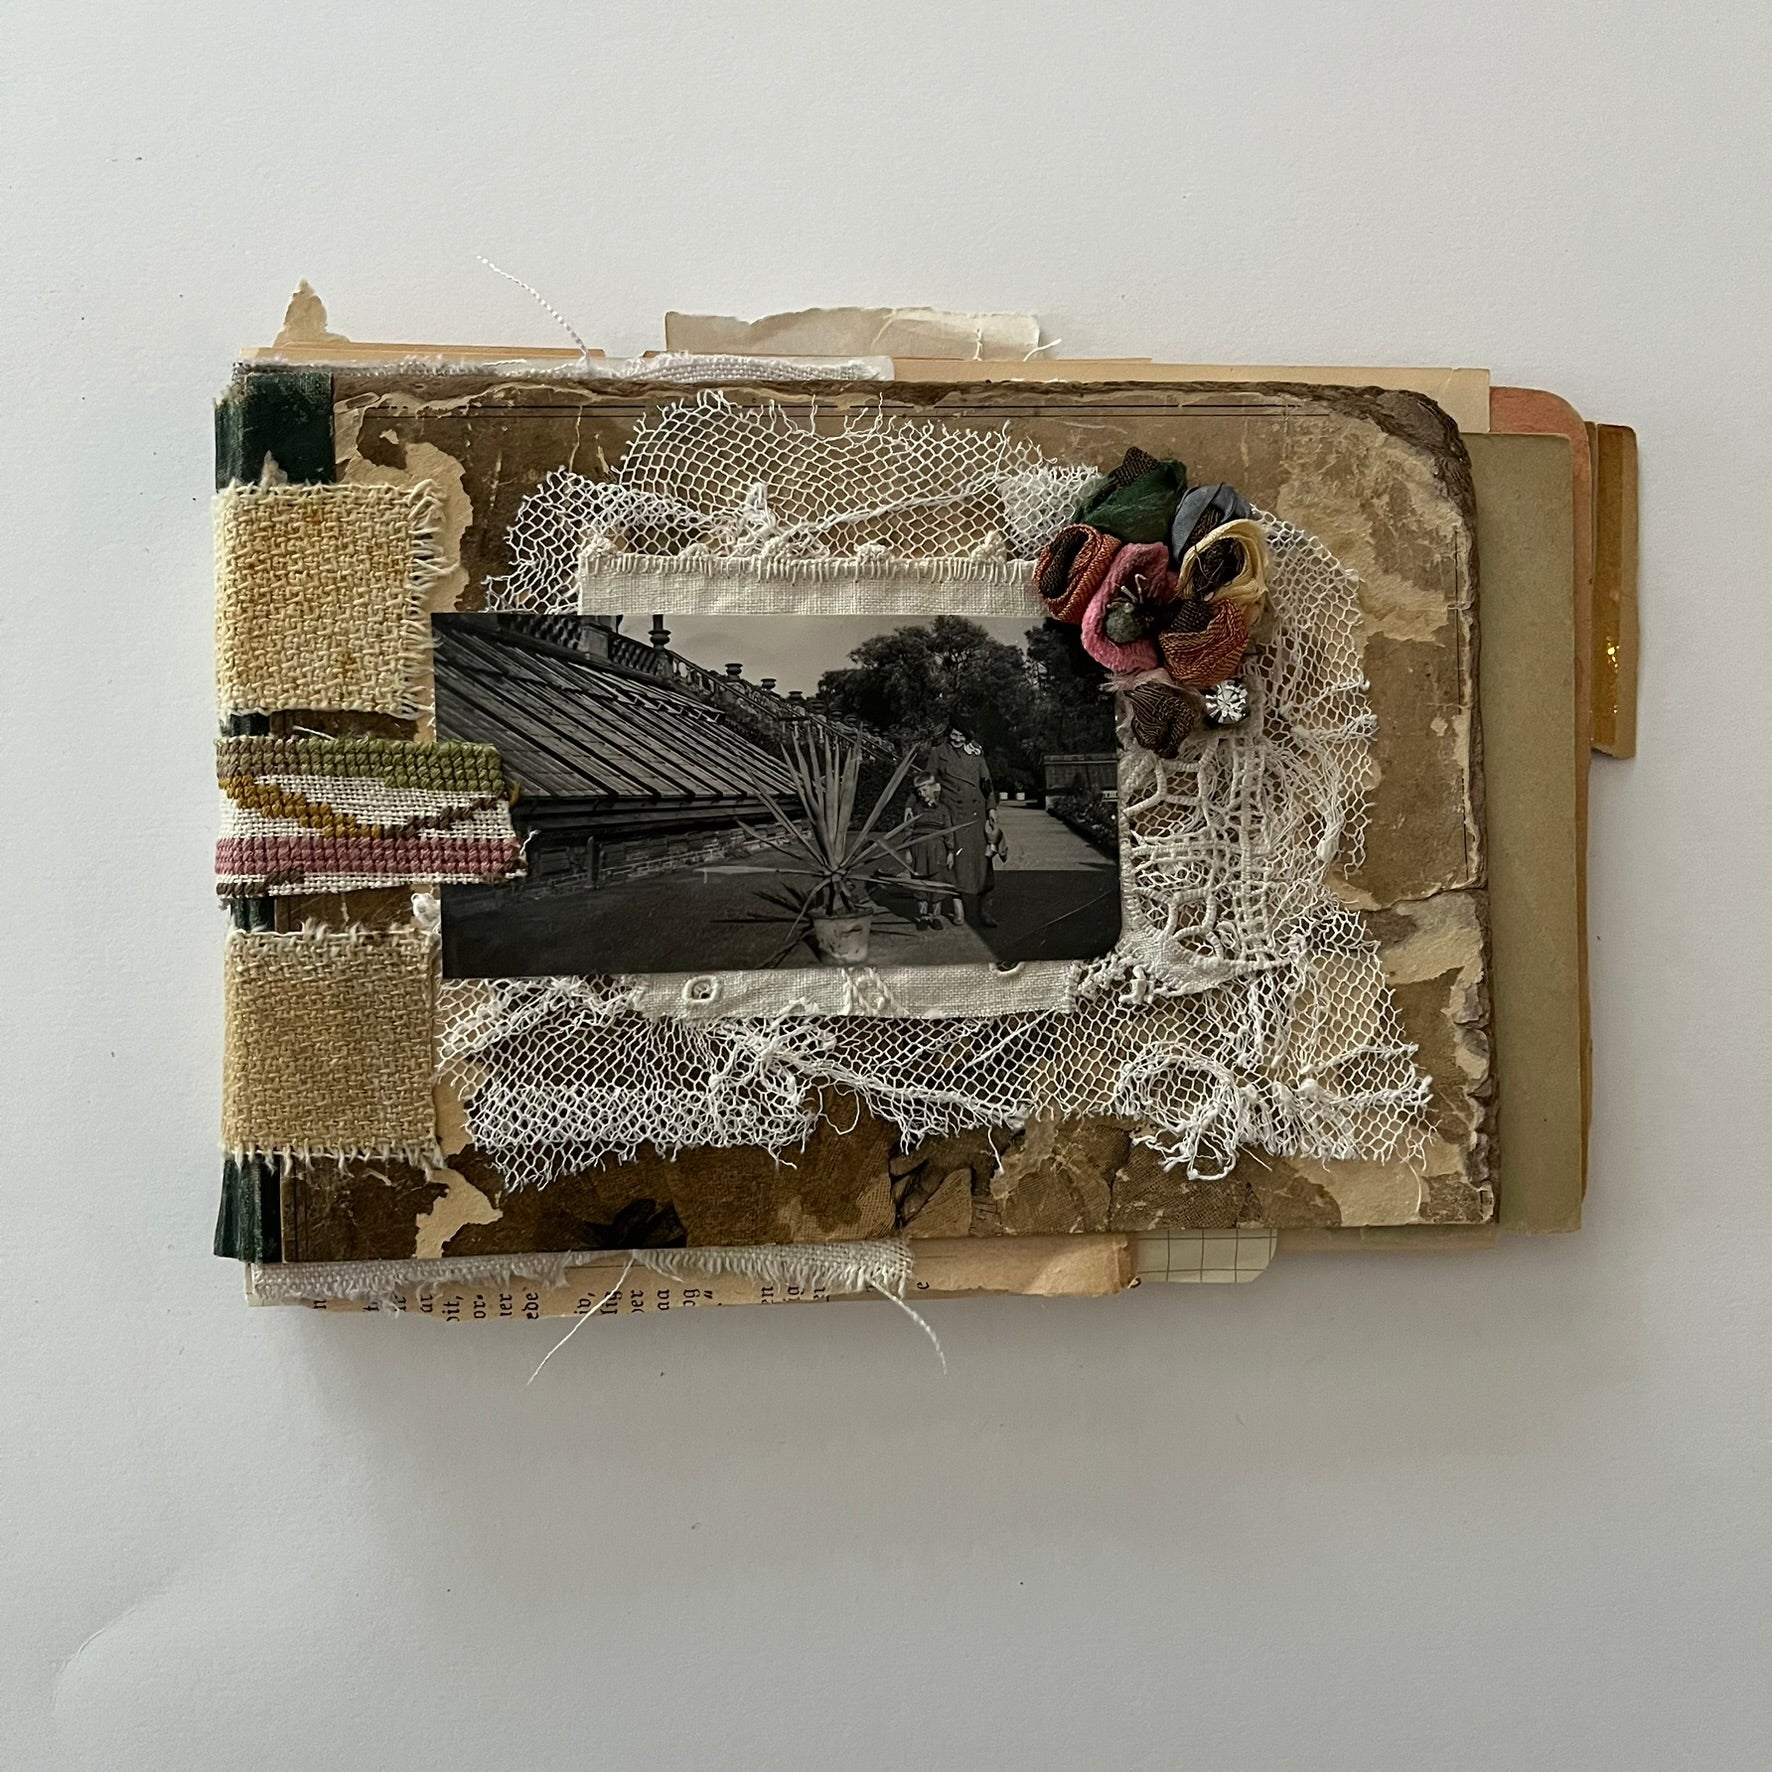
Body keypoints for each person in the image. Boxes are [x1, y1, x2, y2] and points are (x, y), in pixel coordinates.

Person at [927, 723, 998, 928]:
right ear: (948, 734)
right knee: (956, 866)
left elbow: (987, 782)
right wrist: (916, 804)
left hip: (976, 817)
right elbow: (926, 781)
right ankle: (959, 910)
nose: (957, 740)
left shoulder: (975, 751)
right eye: (954, 735)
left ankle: (984, 911)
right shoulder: (939, 753)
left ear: (967, 736)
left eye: (961, 736)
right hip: (953, 816)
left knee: (983, 864)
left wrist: (991, 808)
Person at [902, 772, 961, 930]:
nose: (922, 794)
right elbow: (908, 830)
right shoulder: (915, 809)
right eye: (919, 791)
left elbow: (948, 831)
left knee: (937, 882)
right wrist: (908, 851)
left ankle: (935, 916)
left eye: (924, 790)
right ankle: (923, 916)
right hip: (919, 850)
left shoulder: (943, 810)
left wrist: (951, 852)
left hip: (938, 851)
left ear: (934, 788)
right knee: (919, 882)